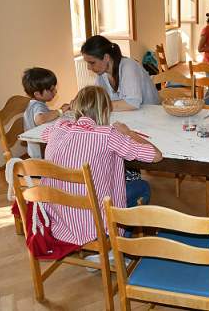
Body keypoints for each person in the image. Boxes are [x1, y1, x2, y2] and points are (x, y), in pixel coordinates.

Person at [41, 86, 162, 246]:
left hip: (60, 223)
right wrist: (128, 133)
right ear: (105, 110)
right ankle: (117, 245)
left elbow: (44, 135)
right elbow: (156, 155)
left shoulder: (58, 127)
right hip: (96, 226)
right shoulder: (108, 135)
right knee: (142, 186)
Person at [81, 35, 159, 111]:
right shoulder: (102, 73)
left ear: (106, 58)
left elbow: (132, 103)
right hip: (131, 115)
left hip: (151, 114)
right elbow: (97, 97)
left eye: (92, 62)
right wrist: (82, 103)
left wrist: (99, 106)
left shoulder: (128, 66)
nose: (89, 68)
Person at [22, 67, 70, 159]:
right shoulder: (37, 105)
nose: (55, 91)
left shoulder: (35, 104)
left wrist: (59, 111)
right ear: (37, 94)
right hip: (41, 152)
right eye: (51, 90)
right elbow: (40, 119)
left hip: (39, 149)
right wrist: (60, 111)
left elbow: (45, 115)